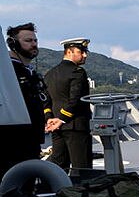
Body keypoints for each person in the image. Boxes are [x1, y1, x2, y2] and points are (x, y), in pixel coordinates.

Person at [2, 22, 61, 179]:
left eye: (35, 40)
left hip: (31, 139)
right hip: (13, 141)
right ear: (13, 43)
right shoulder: (8, 71)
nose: (34, 44)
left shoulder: (29, 72)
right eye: (28, 41)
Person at [43, 37, 93, 176]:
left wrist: (50, 118)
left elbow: (46, 101)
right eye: (81, 51)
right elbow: (75, 100)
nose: (85, 55)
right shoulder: (78, 72)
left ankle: (58, 192)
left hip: (56, 128)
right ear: (69, 52)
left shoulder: (50, 74)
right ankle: (82, 194)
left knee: (59, 164)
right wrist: (61, 119)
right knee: (82, 167)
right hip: (75, 126)